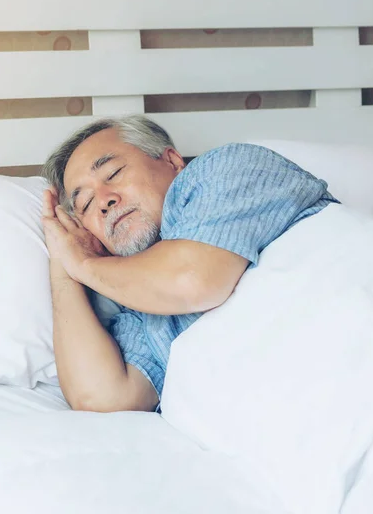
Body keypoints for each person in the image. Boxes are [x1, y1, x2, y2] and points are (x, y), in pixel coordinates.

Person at [41, 115, 338, 413]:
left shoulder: (226, 168)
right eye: (86, 204)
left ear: (171, 161)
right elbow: (102, 397)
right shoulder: (140, 303)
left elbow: (193, 279)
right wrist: (63, 265)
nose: (104, 201)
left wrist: (83, 263)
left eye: (114, 173)